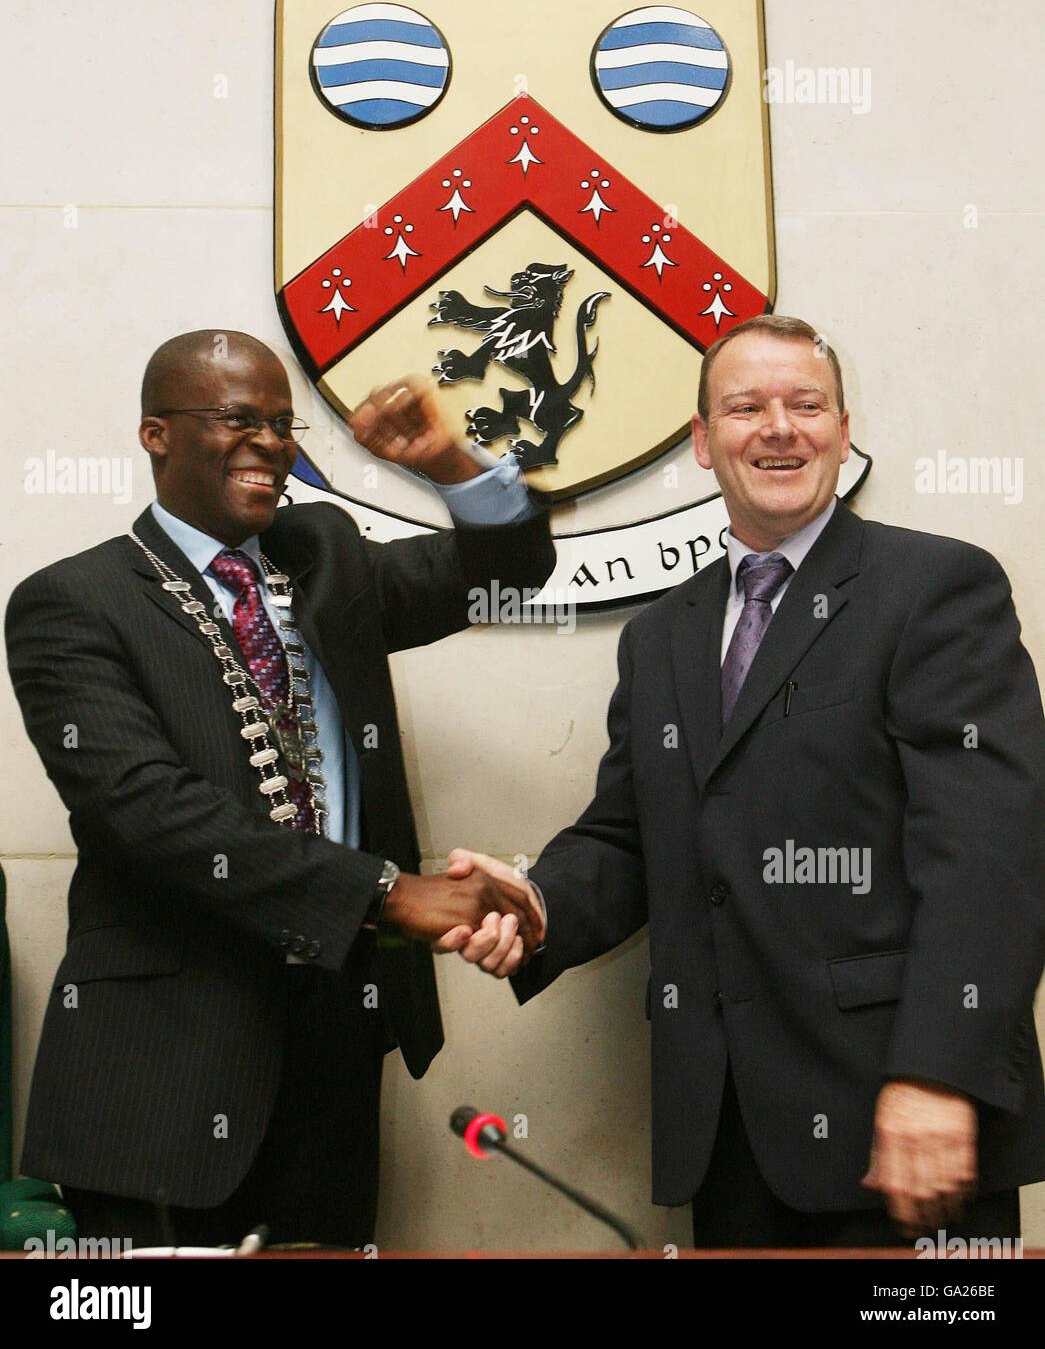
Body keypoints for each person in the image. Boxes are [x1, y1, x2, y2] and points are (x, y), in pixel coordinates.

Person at [446, 315, 1045, 1248]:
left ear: (842, 433)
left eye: (805, 405)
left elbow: (990, 858)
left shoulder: (934, 588)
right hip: (726, 1139)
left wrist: (938, 1076)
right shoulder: (663, 634)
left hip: (905, 1130)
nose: (778, 427)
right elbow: (630, 835)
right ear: (700, 441)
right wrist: (534, 902)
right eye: (745, 407)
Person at [5, 329, 550, 1249]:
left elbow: (508, 573)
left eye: (282, 425)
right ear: (156, 435)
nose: (268, 442)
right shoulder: (72, 602)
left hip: (335, 1036)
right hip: (158, 1065)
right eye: (236, 420)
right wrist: (386, 891)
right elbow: (148, 810)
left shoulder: (323, 557)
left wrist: (446, 463)